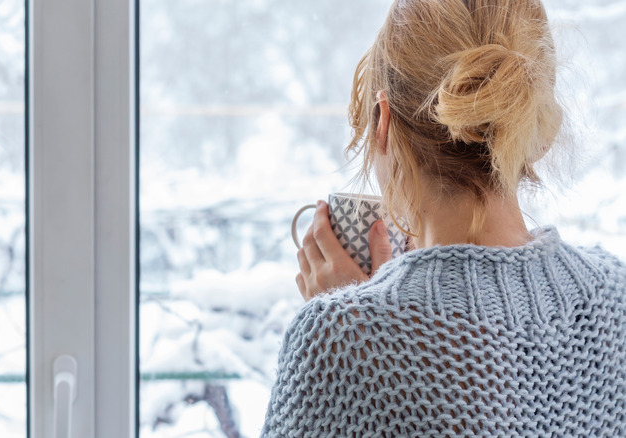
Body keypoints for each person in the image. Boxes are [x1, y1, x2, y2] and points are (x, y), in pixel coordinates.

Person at [260, 0, 626, 436]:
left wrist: (356, 333)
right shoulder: (614, 297)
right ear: (534, 127)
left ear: (384, 124)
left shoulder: (339, 341)